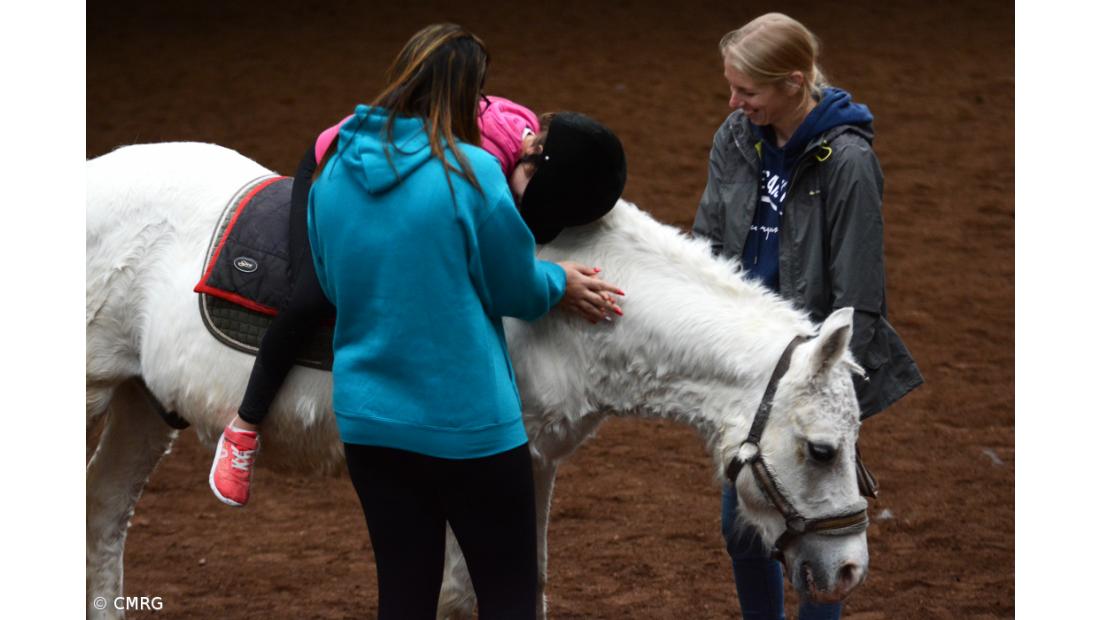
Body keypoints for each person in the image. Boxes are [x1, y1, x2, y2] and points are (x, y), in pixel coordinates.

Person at [208, 70, 627, 507]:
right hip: (333, 168)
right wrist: (555, 282)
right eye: (529, 197)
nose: (523, 206)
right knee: (310, 295)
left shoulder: (524, 131)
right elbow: (482, 264)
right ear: (531, 156)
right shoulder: (476, 165)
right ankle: (244, 427)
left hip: (397, 177)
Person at [691, 13, 923, 620]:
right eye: (731, 87)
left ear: (794, 82)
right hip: (746, 358)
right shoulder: (736, 137)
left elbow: (859, 297)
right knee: (742, 525)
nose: (734, 102)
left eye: (747, 90)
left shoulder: (848, 162)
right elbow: (708, 243)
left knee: (818, 527)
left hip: (811, 366)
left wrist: (824, 384)